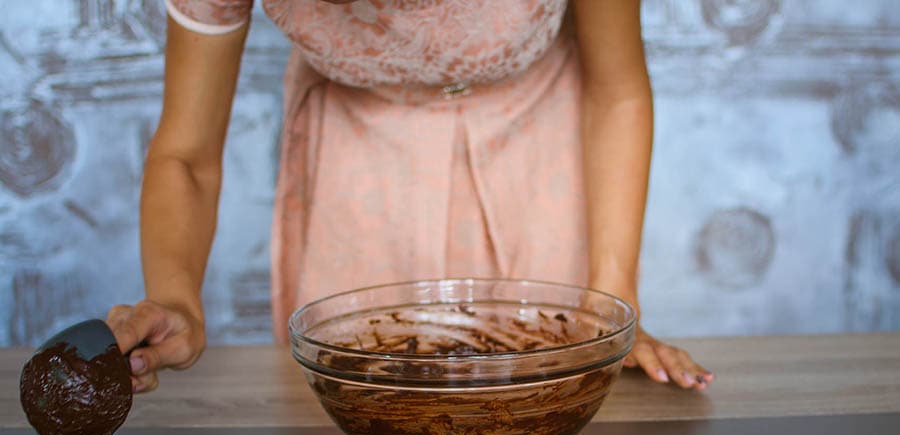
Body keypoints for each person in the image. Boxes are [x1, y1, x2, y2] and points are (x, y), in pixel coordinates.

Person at [107, 0, 713, 393]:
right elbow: (185, 152)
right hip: (357, 156)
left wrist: (615, 306)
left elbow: (617, 90)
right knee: (357, 420)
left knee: (552, 393)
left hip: (537, 141)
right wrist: (175, 295)